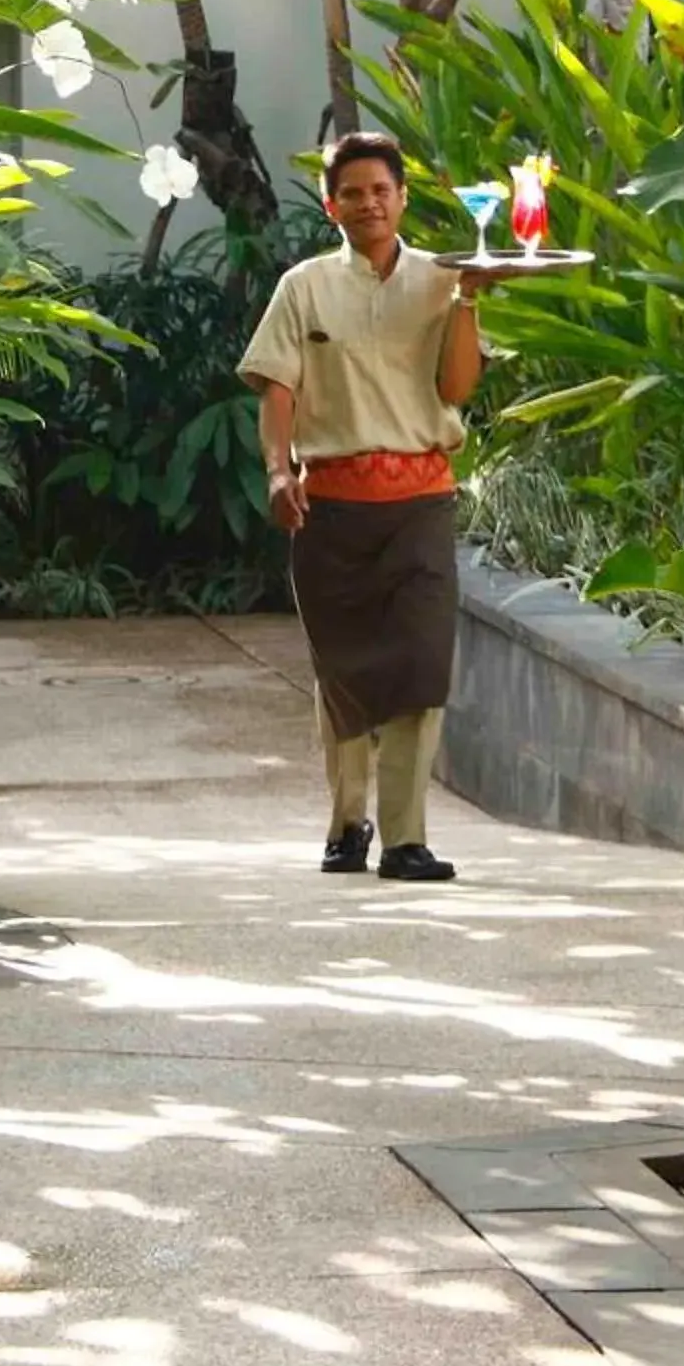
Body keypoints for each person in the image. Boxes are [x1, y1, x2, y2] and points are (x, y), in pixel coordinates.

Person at [238, 131, 486, 883]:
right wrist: (278, 473)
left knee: (421, 666)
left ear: (403, 198)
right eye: (352, 192)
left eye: (382, 190)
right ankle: (348, 825)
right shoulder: (303, 287)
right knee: (343, 673)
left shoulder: (444, 279)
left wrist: (470, 300)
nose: (368, 203)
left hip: (420, 503)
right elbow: (277, 388)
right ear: (331, 206)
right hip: (331, 510)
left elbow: (458, 388)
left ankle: (406, 840)